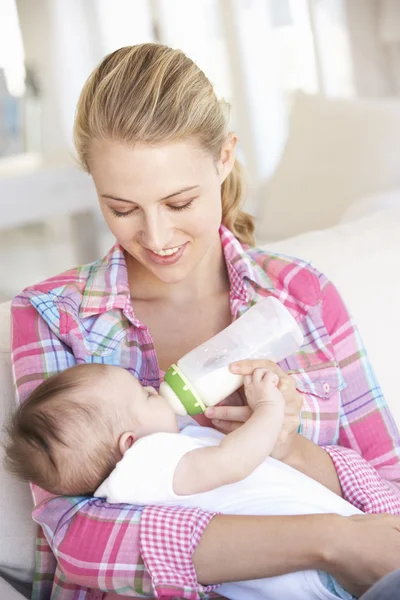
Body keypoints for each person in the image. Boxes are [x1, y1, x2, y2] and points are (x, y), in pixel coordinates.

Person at [10, 43, 400, 600]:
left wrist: (285, 447)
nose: (158, 238)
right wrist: (328, 540)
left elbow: (390, 487)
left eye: (179, 202)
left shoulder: (301, 295)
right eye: (121, 209)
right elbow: (78, 537)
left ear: (224, 158)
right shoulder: (54, 316)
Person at [5, 362, 361, 600]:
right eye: (144, 394)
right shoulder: (146, 462)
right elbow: (231, 463)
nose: (151, 386)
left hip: (328, 563)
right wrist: (269, 409)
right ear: (129, 442)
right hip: (319, 577)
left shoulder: (152, 464)